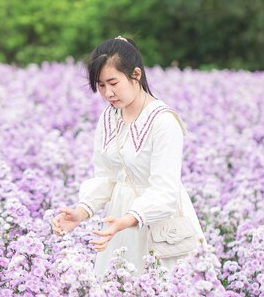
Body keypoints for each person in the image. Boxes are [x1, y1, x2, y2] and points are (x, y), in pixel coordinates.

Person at [51, 36, 207, 277]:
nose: (108, 93)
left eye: (113, 82)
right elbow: (106, 177)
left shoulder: (164, 121)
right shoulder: (109, 117)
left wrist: (127, 220)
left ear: (136, 74)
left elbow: (166, 191)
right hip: (119, 221)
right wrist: (80, 213)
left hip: (159, 223)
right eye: (101, 85)